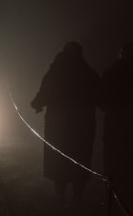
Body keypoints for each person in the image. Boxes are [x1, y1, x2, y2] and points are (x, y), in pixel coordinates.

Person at [30, 41, 102, 206]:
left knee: (59, 157)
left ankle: (59, 194)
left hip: (58, 126)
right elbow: (101, 98)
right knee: (80, 157)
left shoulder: (55, 72)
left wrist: (36, 104)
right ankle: (78, 195)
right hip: (83, 126)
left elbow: (44, 93)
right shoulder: (88, 73)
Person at [101, 42, 133, 191]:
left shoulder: (111, 72)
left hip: (114, 119)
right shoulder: (112, 72)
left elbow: (102, 97)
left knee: (112, 152)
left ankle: (111, 185)